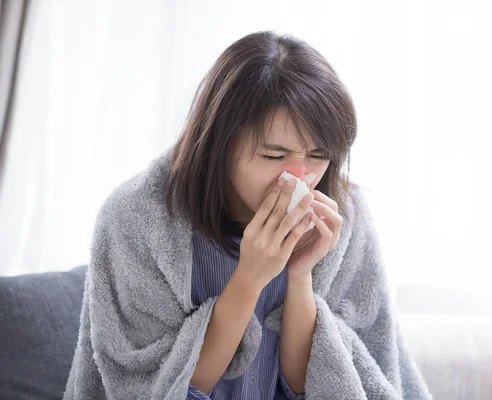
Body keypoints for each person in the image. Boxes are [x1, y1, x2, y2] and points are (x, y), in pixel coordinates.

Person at [63, 30, 432, 400]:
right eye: (274, 156)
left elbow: (322, 386)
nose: (299, 178)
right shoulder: (137, 219)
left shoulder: (346, 220)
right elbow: (156, 389)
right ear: (219, 144)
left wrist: (300, 275)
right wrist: (250, 279)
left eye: (318, 156)